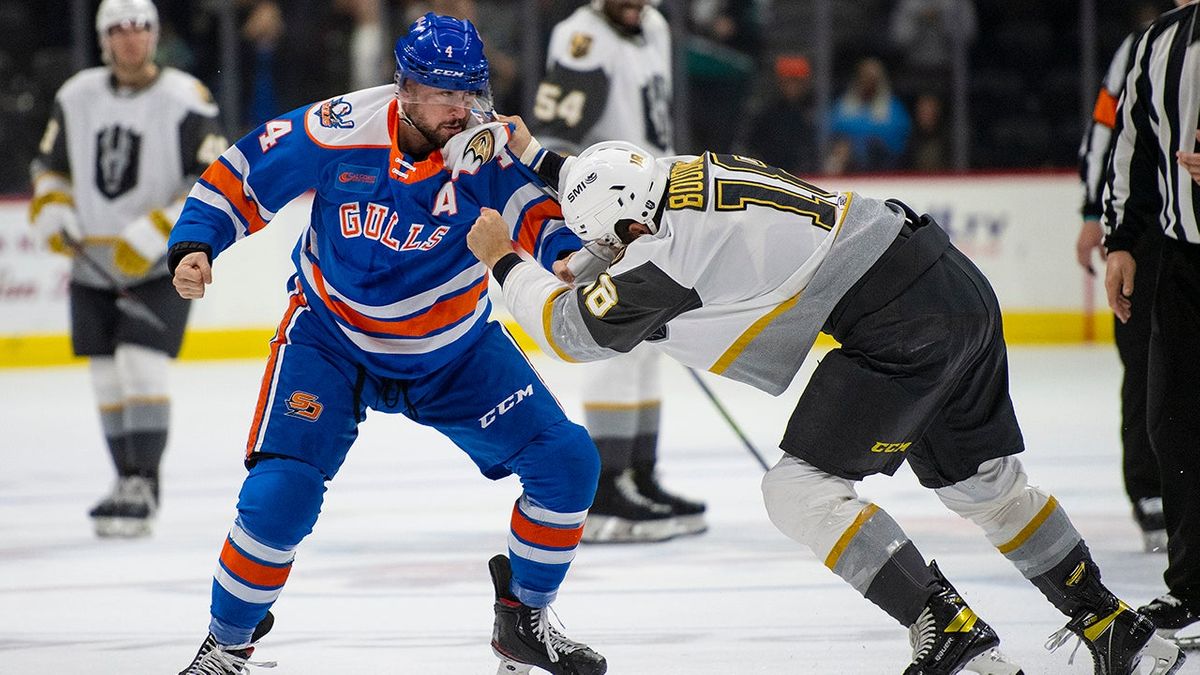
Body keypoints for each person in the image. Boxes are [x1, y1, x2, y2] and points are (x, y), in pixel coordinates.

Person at [466, 134, 1187, 674]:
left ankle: (949, 630)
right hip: (949, 278)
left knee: (796, 490)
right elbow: (615, 190)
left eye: (610, 245)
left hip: (899, 322)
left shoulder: (661, 257)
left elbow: (569, 330)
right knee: (986, 483)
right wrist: (537, 154)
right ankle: (1115, 627)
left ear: (630, 229)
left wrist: (503, 257)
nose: (607, 255)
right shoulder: (675, 172)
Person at [169, 14, 605, 675]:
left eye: (471, 92)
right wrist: (196, 241)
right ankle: (226, 644)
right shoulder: (340, 126)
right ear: (404, 89)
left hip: (453, 353)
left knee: (568, 464)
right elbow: (246, 167)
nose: (462, 110)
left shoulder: (485, 147)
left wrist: (577, 261)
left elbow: (539, 220)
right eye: (444, 94)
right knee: (278, 495)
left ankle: (525, 621)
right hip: (331, 339)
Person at [27, 0, 225, 538]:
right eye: (119, 29)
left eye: (141, 28)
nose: (131, 38)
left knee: (141, 362)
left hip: (161, 261)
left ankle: (146, 484)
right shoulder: (76, 96)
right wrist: (53, 207)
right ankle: (125, 481)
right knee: (106, 375)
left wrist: (160, 229)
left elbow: (212, 178)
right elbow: (52, 167)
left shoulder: (187, 98)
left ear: (155, 35)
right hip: (93, 258)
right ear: (103, 38)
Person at [530, 0, 705, 543]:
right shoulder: (580, 38)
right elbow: (558, 136)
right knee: (613, 343)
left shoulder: (653, 25)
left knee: (650, 344)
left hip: (657, 205)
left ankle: (639, 474)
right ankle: (608, 487)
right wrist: (574, 224)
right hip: (608, 212)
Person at [1103, 0, 1200, 651]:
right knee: (1172, 420)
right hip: (1184, 262)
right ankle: (1193, 585)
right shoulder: (1160, 41)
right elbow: (1135, 146)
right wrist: (1122, 242)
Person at [1076, 3, 1186, 555]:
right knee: (1148, 362)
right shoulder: (1145, 46)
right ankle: (1150, 492)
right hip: (1150, 230)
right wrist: (1096, 215)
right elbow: (1110, 132)